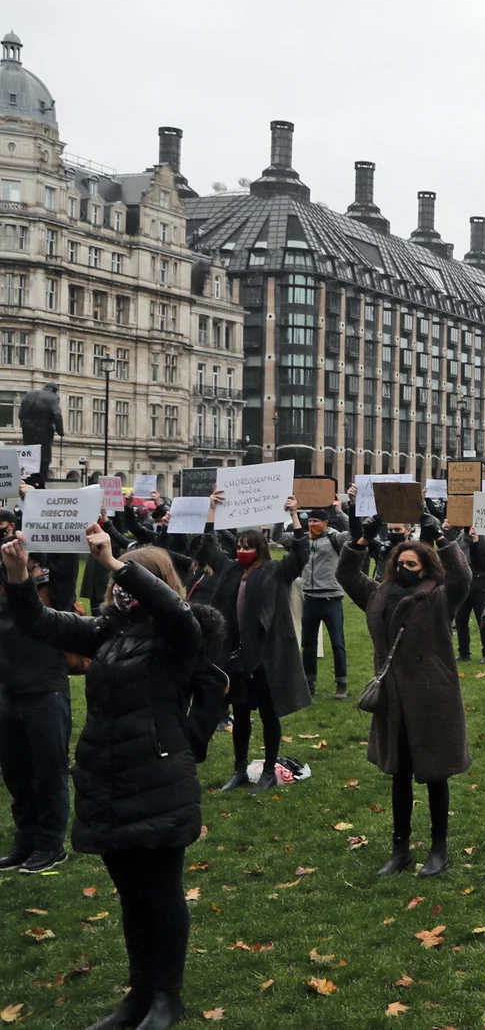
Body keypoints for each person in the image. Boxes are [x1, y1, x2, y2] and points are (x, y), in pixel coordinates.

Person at [4, 525, 212, 1030]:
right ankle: (138, 995)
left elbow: (174, 610)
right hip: (109, 777)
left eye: (128, 581)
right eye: (114, 584)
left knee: (161, 892)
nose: (118, 590)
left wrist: (117, 561)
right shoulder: (108, 631)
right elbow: (43, 624)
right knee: (131, 894)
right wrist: (16, 575)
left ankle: (167, 996)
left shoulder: (178, 634)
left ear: (153, 580)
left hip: (158, 776)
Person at [337, 517, 472, 877]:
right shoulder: (378, 594)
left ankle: (439, 848)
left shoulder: (440, 596)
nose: (403, 568)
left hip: (432, 697)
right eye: (400, 564)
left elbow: (462, 577)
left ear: (426, 567)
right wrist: (363, 538)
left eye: (412, 564)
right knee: (399, 774)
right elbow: (347, 577)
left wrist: (441, 538)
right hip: (393, 699)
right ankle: (400, 849)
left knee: (435, 774)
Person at [215, 493, 311, 793]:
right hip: (238, 657)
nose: (242, 550)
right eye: (240, 546)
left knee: (269, 715)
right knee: (241, 715)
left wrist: (295, 518)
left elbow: (300, 554)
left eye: (249, 546)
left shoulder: (274, 571)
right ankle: (240, 769)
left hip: (266, 657)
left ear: (260, 549)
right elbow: (207, 547)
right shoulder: (232, 571)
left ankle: (269, 769)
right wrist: (211, 510)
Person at [0, 542, 76, 875]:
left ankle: (50, 844)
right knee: (16, 773)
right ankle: (26, 839)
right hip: (7, 691)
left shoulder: (53, 588)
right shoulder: (7, 583)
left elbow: (66, 560)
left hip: (45, 690)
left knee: (49, 772)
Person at [299, 506, 351, 700]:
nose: (312, 524)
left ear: (325, 523)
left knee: (337, 643)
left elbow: (354, 533)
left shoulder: (334, 538)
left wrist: (342, 513)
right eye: (310, 521)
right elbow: (279, 537)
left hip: (331, 598)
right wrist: (284, 514)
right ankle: (309, 684)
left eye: (316, 521)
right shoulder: (304, 539)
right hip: (310, 598)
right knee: (308, 645)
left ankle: (341, 684)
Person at [455, 527, 485, 665]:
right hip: (463, 585)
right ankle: (463, 653)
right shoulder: (460, 536)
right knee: (461, 621)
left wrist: (479, 537)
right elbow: (453, 552)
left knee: (484, 621)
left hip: (481, 584)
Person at [18, 381, 61, 486]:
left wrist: (25, 424)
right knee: (44, 457)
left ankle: (28, 479)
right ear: (55, 390)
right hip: (43, 430)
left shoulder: (29, 394)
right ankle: (40, 481)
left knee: (30, 454)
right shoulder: (53, 397)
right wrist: (60, 430)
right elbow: (57, 414)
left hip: (27, 429)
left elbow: (20, 413)